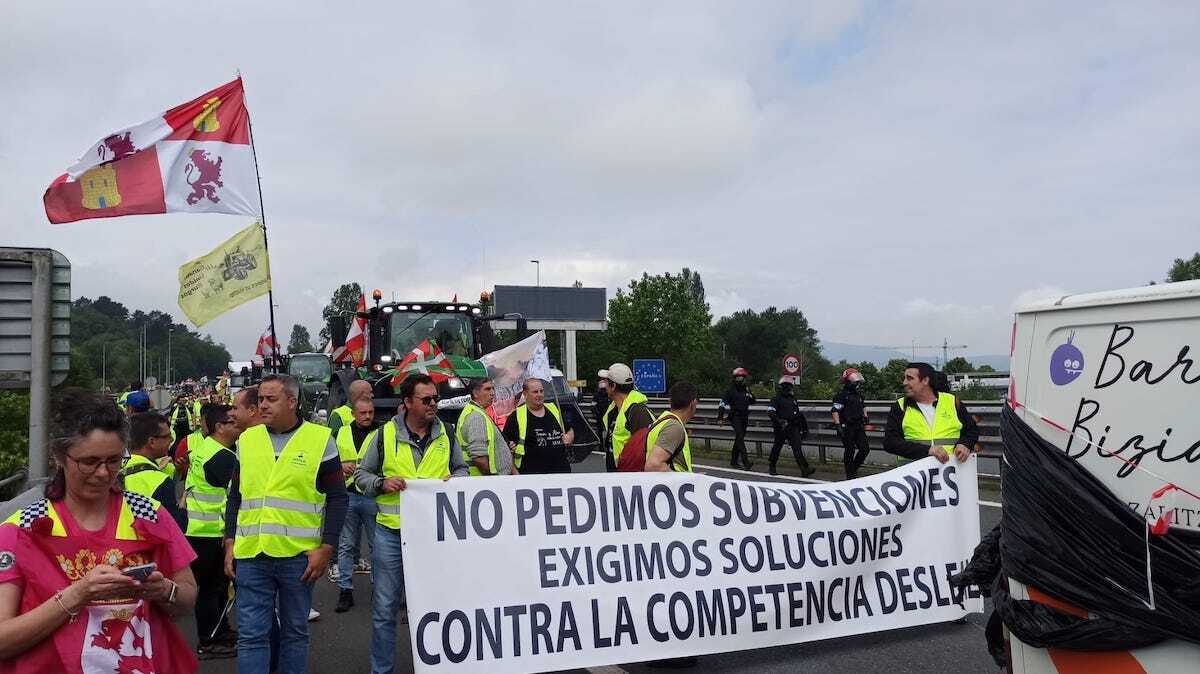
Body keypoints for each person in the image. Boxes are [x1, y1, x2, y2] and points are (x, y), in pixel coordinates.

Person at [0, 389, 199, 672]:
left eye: (115, 460)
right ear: (60, 456)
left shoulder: (149, 514)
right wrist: (77, 595)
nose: (104, 473)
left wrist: (164, 590)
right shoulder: (21, 529)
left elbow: (188, 597)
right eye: (90, 462)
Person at [222, 374, 348, 674]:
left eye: (270, 399)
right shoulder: (248, 440)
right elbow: (235, 497)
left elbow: (338, 498)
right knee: (253, 636)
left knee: (295, 632)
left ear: (292, 402)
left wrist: (327, 548)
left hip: (299, 558)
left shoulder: (320, 440)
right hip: (252, 555)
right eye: (260, 399)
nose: (261, 406)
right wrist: (229, 542)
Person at [354, 374, 469, 674]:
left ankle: (440, 666)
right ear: (407, 403)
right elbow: (360, 477)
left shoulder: (448, 434)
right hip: (391, 535)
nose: (434, 404)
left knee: (439, 606)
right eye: (427, 399)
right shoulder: (383, 436)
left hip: (435, 536)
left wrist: (456, 481)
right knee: (384, 609)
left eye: (436, 399)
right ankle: (382, 670)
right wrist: (381, 482)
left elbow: (462, 470)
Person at [186, 404, 241, 659]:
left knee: (215, 589)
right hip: (210, 533)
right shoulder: (223, 457)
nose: (237, 425)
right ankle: (209, 641)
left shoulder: (205, 448)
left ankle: (220, 631)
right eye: (232, 422)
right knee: (211, 589)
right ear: (220, 427)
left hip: (199, 531)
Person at [883, 362, 980, 465]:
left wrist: (965, 444)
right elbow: (890, 442)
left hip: (949, 474)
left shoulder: (952, 402)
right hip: (914, 476)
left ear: (925, 380)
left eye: (910, 378)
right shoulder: (900, 407)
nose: (904, 382)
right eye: (904, 378)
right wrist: (927, 450)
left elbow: (972, 430)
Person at [334, 398, 379, 613]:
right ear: (353, 414)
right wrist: (341, 465)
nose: (368, 416)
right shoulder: (342, 432)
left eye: (370, 412)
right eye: (363, 413)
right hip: (348, 494)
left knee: (376, 546)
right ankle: (345, 590)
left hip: (372, 495)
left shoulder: (381, 433)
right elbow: (330, 459)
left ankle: (379, 590)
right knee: (346, 545)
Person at [121, 411, 187, 530]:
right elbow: (173, 530)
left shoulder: (112, 470)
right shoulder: (160, 482)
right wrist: (182, 510)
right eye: (167, 436)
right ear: (151, 442)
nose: (172, 439)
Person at [502, 378, 575, 474]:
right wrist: (516, 475)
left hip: (561, 474)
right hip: (532, 477)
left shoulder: (554, 409)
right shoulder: (515, 417)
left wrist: (570, 437)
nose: (539, 394)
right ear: (525, 394)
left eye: (541, 391)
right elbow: (505, 449)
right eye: (535, 392)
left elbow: (570, 430)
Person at [456, 378, 516, 476]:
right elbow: (479, 458)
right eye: (487, 389)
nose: (492, 393)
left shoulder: (478, 412)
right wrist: (492, 478)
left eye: (493, 389)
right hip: (482, 482)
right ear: (475, 393)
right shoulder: (476, 416)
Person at [602, 363, 653, 470]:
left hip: (631, 478)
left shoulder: (638, 412)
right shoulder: (613, 410)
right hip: (617, 475)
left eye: (606, 382)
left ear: (613, 386)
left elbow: (647, 449)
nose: (604, 385)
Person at [645, 382, 699, 473]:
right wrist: (685, 480)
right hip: (670, 486)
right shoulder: (674, 427)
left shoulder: (661, 421)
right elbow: (653, 465)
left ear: (670, 402)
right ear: (693, 403)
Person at [767, 379, 815, 477]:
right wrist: (779, 421)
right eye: (788, 386)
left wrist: (803, 427)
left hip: (793, 426)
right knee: (777, 447)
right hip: (781, 427)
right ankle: (772, 466)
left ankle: (804, 469)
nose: (790, 388)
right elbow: (770, 412)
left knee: (797, 448)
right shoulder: (776, 399)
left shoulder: (793, 399)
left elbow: (797, 414)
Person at [832, 368, 871, 479]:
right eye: (855, 381)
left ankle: (853, 469)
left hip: (858, 425)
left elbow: (863, 406)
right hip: (847, 426)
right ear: (848, 381)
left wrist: (866, 416)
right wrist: (838, 425)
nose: (857, 383)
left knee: (864, 449)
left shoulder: (858, 394)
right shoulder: (842, 395)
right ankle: (850, 475)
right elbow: (835, 410)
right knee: (850, 450)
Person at [718, 367, 756, 470]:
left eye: (742, 378)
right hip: (734, 416)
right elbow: (722, 404)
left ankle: (733, 461)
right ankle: (746, 462)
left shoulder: (746, 390)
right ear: (734, 379)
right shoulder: (730, 391)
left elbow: (753, 401)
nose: (740, 380)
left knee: (739, 439)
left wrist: (750, 394)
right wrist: (720, 417)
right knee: (740, 437)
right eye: (738, 378)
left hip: (744, 417)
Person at [593, 370, 612, 468]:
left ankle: (605, 446)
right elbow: (593, 407)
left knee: (608, 433)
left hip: (607, 417)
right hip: (599, 417)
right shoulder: (596, 396)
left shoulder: (610, 397)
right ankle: (601, 446)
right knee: (600, 432)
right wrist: (596, 414)